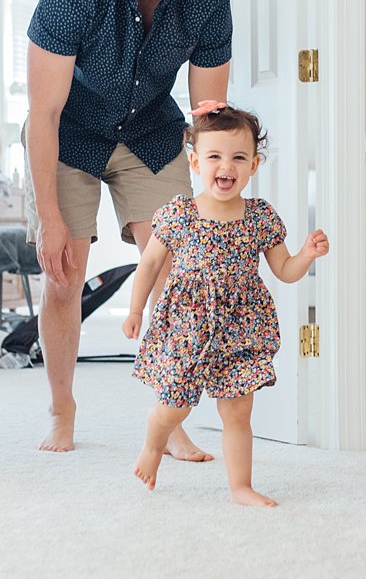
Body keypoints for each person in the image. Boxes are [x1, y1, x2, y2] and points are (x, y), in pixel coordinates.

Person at [26, 0, 231, 455]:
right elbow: (43, 114)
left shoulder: (208, 0)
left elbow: (208, 115)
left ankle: (168, 420)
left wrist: (222, 189)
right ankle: (61, 409)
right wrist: (49, 219)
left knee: (171, 266)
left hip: (149, 132)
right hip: (70, 131)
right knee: (65, 274)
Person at [123, 107, 329, 507]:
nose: (226, 166)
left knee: (237, 413)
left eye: (238, 158)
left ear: (254, 164)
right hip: (187, 326)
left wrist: (305, 254)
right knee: (173, 406)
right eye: (215, 156)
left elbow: (284, 270)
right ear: (196, 161)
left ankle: (240, 487)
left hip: (240, 329)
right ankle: (154, 441)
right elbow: (148, 263)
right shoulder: (178, 214)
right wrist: (134, 312)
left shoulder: (260, 217)